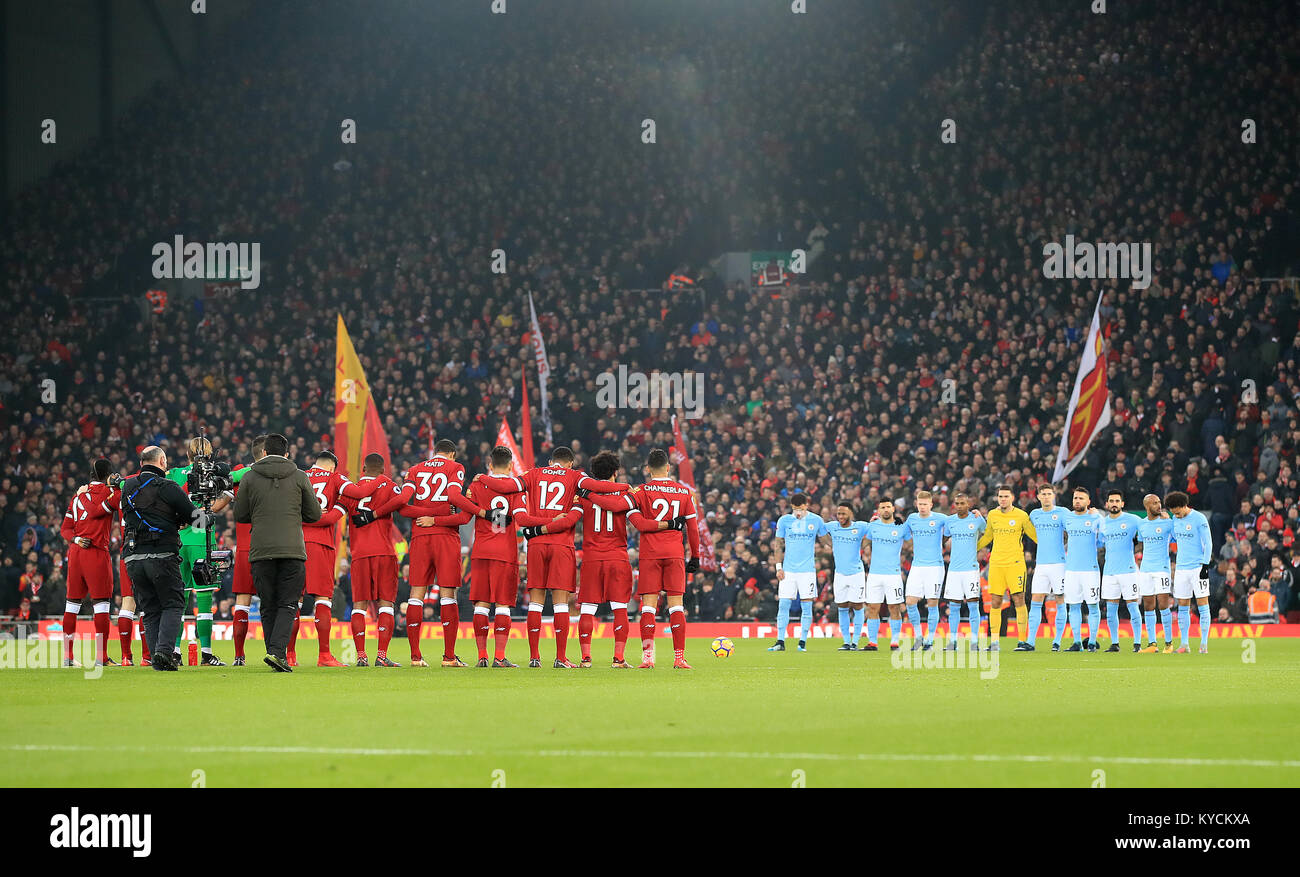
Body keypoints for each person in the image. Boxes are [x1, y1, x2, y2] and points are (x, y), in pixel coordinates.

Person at [231, 433, 323, 672]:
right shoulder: (300, 476)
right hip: (292, 549)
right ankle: (276, 652)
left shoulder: (250, 478)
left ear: (264, 452)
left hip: (260, 550)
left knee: (268, 604)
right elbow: (314, 515)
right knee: (288, 603)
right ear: (287, 453)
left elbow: (239, 514)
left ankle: (273, 651)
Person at [119, 446, 198, 672]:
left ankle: (157, 657)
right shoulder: (168, 487)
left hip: (133, 557)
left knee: (151, 609)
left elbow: (142, 514)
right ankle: (164, 652)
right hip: (162, 554)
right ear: (162, 461)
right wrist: (207, 516)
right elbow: (196, 519)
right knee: (173, 604)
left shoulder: (128, 488)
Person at [59, 458, 120, 667]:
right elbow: (118, 502)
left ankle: (68, 657)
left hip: (75, 554)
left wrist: (75, 539)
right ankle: (102, 658)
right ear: (109, 474)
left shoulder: (78, 495)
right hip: (95, 553)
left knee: (71, 605)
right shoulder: (108, 493)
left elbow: (65, 529)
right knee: (101, 606)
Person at [977, 485, 1038, 651]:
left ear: (1012, 498)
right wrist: (973, 548)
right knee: (995, 602)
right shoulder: (992, 514)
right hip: (996, 564)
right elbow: (988, 536)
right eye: (1000, 496)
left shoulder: (1021, 516)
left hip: (1015, 564)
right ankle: (995, 642)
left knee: (1018, 599)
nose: (1003, 499)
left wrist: (1051, 545)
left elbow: (1034, 536)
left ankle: (1022, 641)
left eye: (1006, 496)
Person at [770, 492, 823, 652]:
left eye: (800, 509)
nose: (798, 513)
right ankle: (780, 641)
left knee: (806, 607)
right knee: (783, 604)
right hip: (788, 571)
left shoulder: (816, 520)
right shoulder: (784, 520)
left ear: (806, 506)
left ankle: (802, 642)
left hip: (807, 571)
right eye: (795, 509)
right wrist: (779, 567)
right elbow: (778, 544)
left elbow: (827, 539)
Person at [1166, 490, 1214, 654]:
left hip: (1197, 567)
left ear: (1184, 506)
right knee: (1183, 606)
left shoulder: (1199, 518)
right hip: (1181, 568)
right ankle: (1184, 644)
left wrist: (1205, 566)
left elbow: (1208, 543)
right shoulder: (1174, 518)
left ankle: (1204, 644)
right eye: (1174, 513)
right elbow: (1174, 537)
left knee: (1202, 604)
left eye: (1178, 512)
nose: (1177, 516)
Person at [819, 501, 871, 650]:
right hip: (840, 573)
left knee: (857, 606)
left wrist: (864, 544)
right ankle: (846, 641)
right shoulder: (832, 526)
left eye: (843, 513)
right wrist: (830, 544)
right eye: (839, 513)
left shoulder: (860, 526)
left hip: (856, 573)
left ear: (850, 514)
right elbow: (819, 530)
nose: (840, 516)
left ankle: (855, 641)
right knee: (842, 606)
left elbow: (874, 530)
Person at [862, 497, 912, 650]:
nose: (885, 510)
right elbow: (865, 542)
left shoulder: (901, 527)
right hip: (875, 574)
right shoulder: (873, 526)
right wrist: (867, 551)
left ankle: (895, 642)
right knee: (873, 608)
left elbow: (909, 544)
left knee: (894, 608)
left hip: (893, 575)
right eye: (882, 507)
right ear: (879, 510)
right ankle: (873, 642)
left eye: (888, 507)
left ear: (893, 509)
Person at [1098, 489, 1144, 652]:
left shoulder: (1133, 520)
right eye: (1111, 501)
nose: (1114, 504)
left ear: (1122, 504)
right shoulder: (1102, 522)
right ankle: (1115, 643)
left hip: (1129, 571)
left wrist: (1137, 547)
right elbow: (1099, 543)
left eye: (1117, 501)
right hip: (1110, 572)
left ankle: (1137, 643)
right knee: (1110, 610)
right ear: (1107, 504)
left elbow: (1148, 529)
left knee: (1133, 606)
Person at [1023, 484, 1067, 652]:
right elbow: (1022, 524)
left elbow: (1077, 520)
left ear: (1053, 496)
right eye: (1044, 494)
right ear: (1038, 497)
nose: (1047, 496)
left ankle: (1057, 642)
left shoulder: (1062, 512)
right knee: (1035, 602)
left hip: (1059, 564)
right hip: (1041, 565)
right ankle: (1030, 642)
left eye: (1049, 494)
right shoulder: (1034, 515)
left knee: (1060, 601)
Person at [1061, 487, 1104, 652]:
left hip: (1090, 570)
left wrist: (1098, 517)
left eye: (1081, 498)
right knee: (1073, 606)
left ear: (1088, 502)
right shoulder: (1067, 518)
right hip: (1071, 570)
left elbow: (1106, 532)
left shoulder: (1095, 517)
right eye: (1075, 498)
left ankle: (1092, 642)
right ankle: (1077, 642)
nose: (1077, 501)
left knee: (1093, 606)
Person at [941, 492, 985, 650]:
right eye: (957, 503)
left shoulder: (977, 519)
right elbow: (943, 539)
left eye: (962, 503)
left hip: (971, 570)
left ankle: (974, 642)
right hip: (954, 570)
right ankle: (953, 641)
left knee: (973, 605)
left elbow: (988, 534)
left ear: (969, 504)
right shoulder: (950, 521)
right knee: (954, 607)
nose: (959, 506)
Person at [904, 489, 947, 650]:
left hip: (935, 567)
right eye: (920, 504)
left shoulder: (940, 518)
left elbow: (957, 521)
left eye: (925, 504)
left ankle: (929, 639)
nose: (922, 507)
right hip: (917, 566)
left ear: (931, 504)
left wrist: (975, 515)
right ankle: (918, 636)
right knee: (910, 602)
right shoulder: (912, 519)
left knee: (932, 603)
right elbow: (900, 529)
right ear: (916, 504)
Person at [1136, 494, 1176, 653]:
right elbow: (1141, 543)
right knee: (1148, 606)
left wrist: (1171, 521)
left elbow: (1176, 537)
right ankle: (1152, 643)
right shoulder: (1142, 524)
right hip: (1146, 569)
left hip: (1162, 569)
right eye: (1155, 503)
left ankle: (1168, 643)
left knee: (1164, 605)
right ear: (1147, 506)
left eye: (1159, 502)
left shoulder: (1167, 522)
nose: (1159, 505)